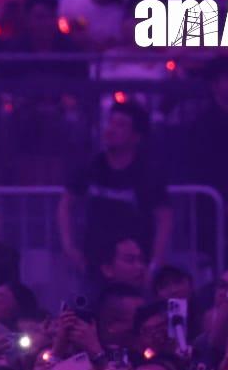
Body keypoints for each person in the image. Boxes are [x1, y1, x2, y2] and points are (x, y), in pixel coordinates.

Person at [59, 100, 172, 278]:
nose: (111, 129)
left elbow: (164, 218)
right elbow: (66, 203)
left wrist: (155, 262)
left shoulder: (148, 172)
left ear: (136, 137)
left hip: (135, 268)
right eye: (110, 122)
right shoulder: (92, 166)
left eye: (120, 125)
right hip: (94, 266)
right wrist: (69, 246)